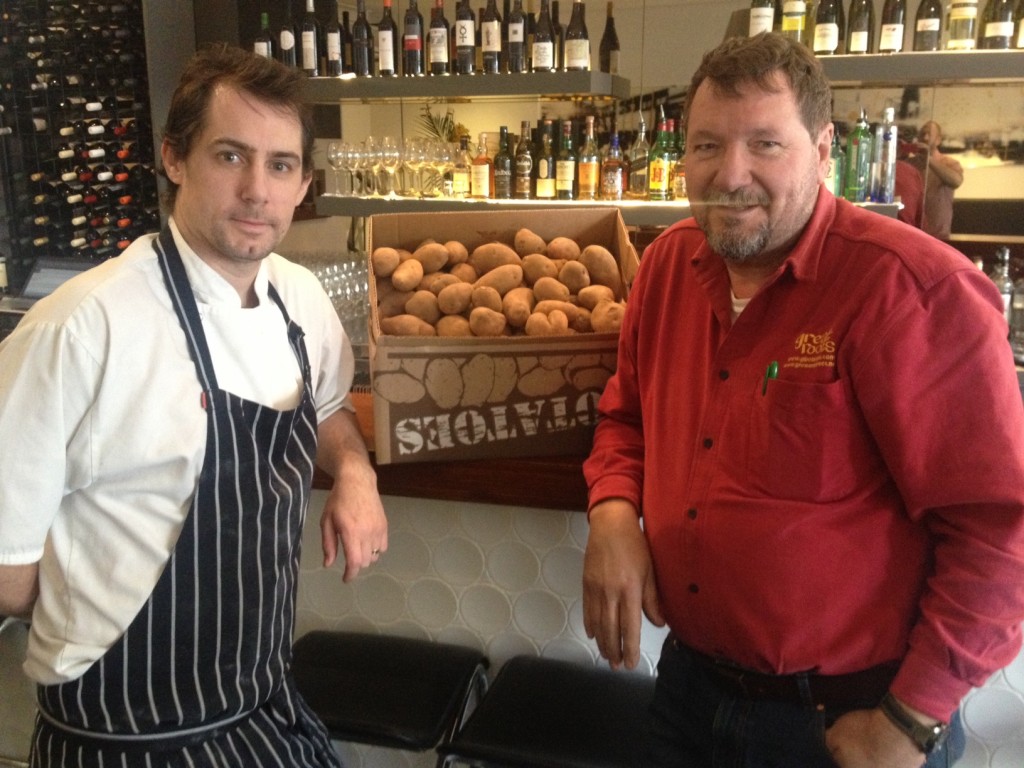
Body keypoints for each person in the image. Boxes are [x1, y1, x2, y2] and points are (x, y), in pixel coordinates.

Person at [582, 32, 1024, 768]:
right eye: (706, 146)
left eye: (765, 144)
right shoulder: (664, 268)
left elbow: (997, 531)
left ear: (823, 152)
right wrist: (613, 514)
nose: (730, 175)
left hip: (843, 720)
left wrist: (907, 722)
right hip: (688, 690)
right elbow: (625, 418)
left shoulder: (912, 289)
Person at [0, 45, 387, 767]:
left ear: (304, 183)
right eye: (230, 156)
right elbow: (6, 569)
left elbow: (331, 410)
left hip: (261, 709)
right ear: (174, 158)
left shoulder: (299, 298)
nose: (257, 191)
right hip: (126, 738)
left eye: (280, 165)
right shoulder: (80, 329)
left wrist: (356, 475)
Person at [908, 120, 964, 241]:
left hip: (939, 235)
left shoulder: (949, 163)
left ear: (938, 140)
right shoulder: (910, 164)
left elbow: (956, 181)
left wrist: (929, 160)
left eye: (929, 134)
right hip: (912, 233)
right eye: (922, 134)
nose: (925, 138)